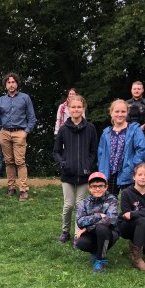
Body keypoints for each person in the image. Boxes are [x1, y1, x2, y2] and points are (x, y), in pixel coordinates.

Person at [0, 73, 37, 200]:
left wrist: (25, 132)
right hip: (4, 133)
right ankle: (11, 188)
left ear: (17, 84)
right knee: (9, 162)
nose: (11, 84)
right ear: (5, 85)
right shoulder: (1, 100)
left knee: (20, 162)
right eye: (8, 82)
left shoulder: (25, 98)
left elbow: (32, 118)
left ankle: (23, 190)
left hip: (19, 133)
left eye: (13, 82)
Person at [53, 94, 97, 243]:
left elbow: (93, 151)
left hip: (84, 175)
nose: (76, 109)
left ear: (83, 109)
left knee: (80, 205)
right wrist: (63, 163)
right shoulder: (64, 129)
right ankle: (65, 231)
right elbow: (56, 151)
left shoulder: (90, 128)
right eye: (73, 107)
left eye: (79, 107)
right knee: (68, 205)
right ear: (69, 109)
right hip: (68, 174)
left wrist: (88, 164)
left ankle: (79, 234)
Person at [97, 99, 145, 196]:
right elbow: (101, 153)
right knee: (109, 204)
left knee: (129, 205)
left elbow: (142, 150)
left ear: (127, 113)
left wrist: (132, 167)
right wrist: (102, 170)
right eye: (117, 111)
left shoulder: (134, 129)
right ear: (111, 113)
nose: (120, 114)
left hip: (128, 173)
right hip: (109, 174)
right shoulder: (106, 133)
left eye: (123, 111)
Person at [118, 163, 145, 272]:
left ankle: (135, 242)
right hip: (126, 227)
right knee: (143, 220)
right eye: (140, 174)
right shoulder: (126, 193)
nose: (142, 177)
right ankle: (136, 258)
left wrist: (133, 213)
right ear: (134, 177)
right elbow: (126, 216)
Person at [75, 172, 119, 274]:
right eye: (94, 186)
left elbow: (111, 219)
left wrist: (86, 228)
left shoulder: (112, 200)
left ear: (106, 187)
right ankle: (96, 252)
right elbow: (80, 221)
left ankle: (101, 259)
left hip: (109, 233)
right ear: (89, 188)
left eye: (101, 186)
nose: (98, 189)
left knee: (102, 228)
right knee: (81, 243)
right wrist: (99, 216)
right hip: (92, 234)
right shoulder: (84, 202)